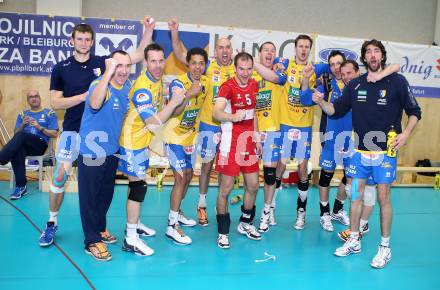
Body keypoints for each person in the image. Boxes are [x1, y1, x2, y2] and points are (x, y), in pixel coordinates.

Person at [39, 17, 155, 247]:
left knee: (101, 186)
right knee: (60, 177)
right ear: (72, 40)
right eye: (79, 39)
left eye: (88, 39)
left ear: (92, 42)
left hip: (99, 133)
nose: (83, 43)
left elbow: (138, 54)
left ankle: (99, 227)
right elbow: (55, 103)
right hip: (73, 130)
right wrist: (85, 96)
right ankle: (51, 222)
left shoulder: (105, 63)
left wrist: (148, 30)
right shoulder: (61, 68)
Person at [313, 39, 421, 269]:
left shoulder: (398, 82)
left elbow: (414, 111)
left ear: (381, 56)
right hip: (360, 152)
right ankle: (354, 240)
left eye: (376, 52)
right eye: (368, 52)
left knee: (383, 197)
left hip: (385, 151)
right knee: (355, 196)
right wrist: (321, 101)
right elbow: (335, 111)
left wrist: (406, 134)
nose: (372, 55)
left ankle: (385, 247)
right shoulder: (355, 84)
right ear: (364, 58)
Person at [300, 53, 400, 232]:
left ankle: (338, 209)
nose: (337, 68)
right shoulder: (326, 85)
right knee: (326, 176)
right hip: (332, 137)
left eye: (339, 63)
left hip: (355, 141)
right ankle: (324, 214)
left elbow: (393, 68)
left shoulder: (361, 84)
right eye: (332, 64)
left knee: (351, 178)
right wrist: (306, 80)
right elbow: (306, 99)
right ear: (329, 67)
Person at [118, 43, 186, 255]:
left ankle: (135, 223)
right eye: (152, 61)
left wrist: (174, 86)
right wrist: (174, 101)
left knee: (136, 184)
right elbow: (153, 123)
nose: (157, 66)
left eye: (160, 60)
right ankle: (130, 238)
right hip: (132, 142)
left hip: (141, 140)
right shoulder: (142, 88)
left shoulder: (156, 80)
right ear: (145, 63)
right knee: (139, 187)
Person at [169, 18, 235, 226]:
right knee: (206, 166)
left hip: (230, 128)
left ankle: (221, 205)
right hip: (208, 125)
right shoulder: (207, 68)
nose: (224, 51)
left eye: (228, 48)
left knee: (225, 168)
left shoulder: (239, 70)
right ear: (216, 51)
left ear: (232, 51)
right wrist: (174, 33)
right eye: (221, 47)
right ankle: (202, 205)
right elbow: (181, 55)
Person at [77, 50, 132, 261]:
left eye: (127, 66)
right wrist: (107, 74)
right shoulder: (100, 85)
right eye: (118, 66)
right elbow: (95, 104)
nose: (124, 71)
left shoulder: (126, 87)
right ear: (110, 66)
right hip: (92, 151)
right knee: (90, 197)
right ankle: (91, 241)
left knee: (105, 194)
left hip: (111, 150)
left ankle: (99, 229)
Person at [274, 35, 329, 230]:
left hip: (304, 126)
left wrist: (323, 84)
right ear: (295, 48)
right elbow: (269, 59)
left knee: (302, 169)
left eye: (307, 47)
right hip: (285, 124)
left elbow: (335, 66)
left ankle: (301, 213)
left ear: (310, 49)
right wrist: (274, 66)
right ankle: (270, 209)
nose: (303, 50)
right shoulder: (285, 63)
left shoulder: (317, 68)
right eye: (300, 46)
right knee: (279, 167)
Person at [213, 52, 262, 249]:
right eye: (241, 69)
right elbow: (216, 112)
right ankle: (223, 232)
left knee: (253, 185)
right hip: (230, 141)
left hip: (248, 141)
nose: (245, 72)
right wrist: (233, 117)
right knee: (226, 189)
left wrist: (257, 135)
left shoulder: (254, 85)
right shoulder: (228, 87)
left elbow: (254, 113)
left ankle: (245, 223)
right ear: (235, 68)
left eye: (249, 68)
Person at [163, 47, 211, 244]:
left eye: (201, 63)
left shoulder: (207, 83)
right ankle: (172, 225)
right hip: (173, 137)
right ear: (188, 64)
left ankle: (178, 211)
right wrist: (189, 94)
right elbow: (174, 112)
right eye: (194, 63)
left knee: (189, 175)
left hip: (190, 139)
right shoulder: (178, 83)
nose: (197, 67)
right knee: (181, 178)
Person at [251, 42, 286, 233]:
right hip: (258, 130)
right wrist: (256, 135)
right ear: (260, 53)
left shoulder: (281, 73)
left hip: (277, 131)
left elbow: (276, 79)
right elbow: (253, 110)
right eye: (266, 50)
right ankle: (266, 207)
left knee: (273, 173)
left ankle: (267, 210)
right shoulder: (253, 78)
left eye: (273, 51)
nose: (270, 53)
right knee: (255, 177)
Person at [0, 90, 58, 199]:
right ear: (28, 101)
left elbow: (54, 133)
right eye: (31, 97)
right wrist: (22, 124)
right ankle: (21, 187)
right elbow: (16, 133)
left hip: (40, 145)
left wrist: (39, 127)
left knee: (21, 136)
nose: (34, 98)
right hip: (25, 145)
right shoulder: (23, 114)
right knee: (17, 149)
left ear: (40, 98)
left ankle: (2, 158)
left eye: (36, 96)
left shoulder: (49, 113)